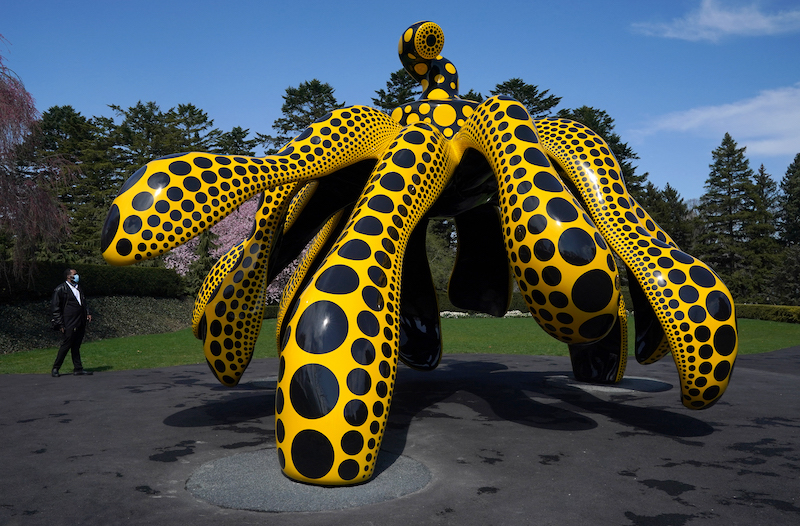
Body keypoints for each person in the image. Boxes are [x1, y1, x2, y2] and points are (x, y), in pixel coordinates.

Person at [51, 268, 93, 377]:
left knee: (76, 345)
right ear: (68, 276)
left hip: (80, 320)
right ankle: (56, 368)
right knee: (66, 345)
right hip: (69, 321)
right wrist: (60, 323)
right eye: (75, 274)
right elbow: (56, 308)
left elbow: (83, 302)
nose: (77, 276)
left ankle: (78, 368)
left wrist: (87, 313)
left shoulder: (78, 288)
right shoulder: (60, 289)